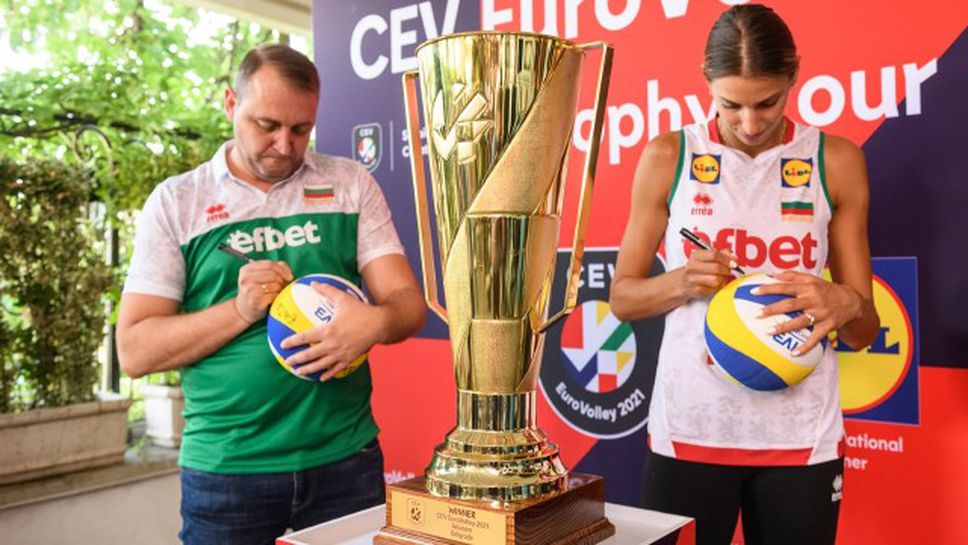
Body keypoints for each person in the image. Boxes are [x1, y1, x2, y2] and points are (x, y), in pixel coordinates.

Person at [117, 44, 427, 545]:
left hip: (346, 459)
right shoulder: (178, 202)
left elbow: (407, 303)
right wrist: (240, 310)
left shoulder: (349, 183)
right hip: (227, 469)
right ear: (229, 104)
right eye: (267, 125)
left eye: (301, 129)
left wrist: (375, 322)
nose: (285, 145)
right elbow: (134, 351)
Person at [609, 5, 880, 545]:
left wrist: (846, 303)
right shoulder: (670, 155)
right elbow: (622, 298)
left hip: (802, 437)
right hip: (690, 431)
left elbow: (864, 329)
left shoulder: (837, 160)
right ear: (706, 82)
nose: (751, 123)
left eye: (768, 102)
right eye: (731, 104)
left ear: (794, 77)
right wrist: (682, 281)